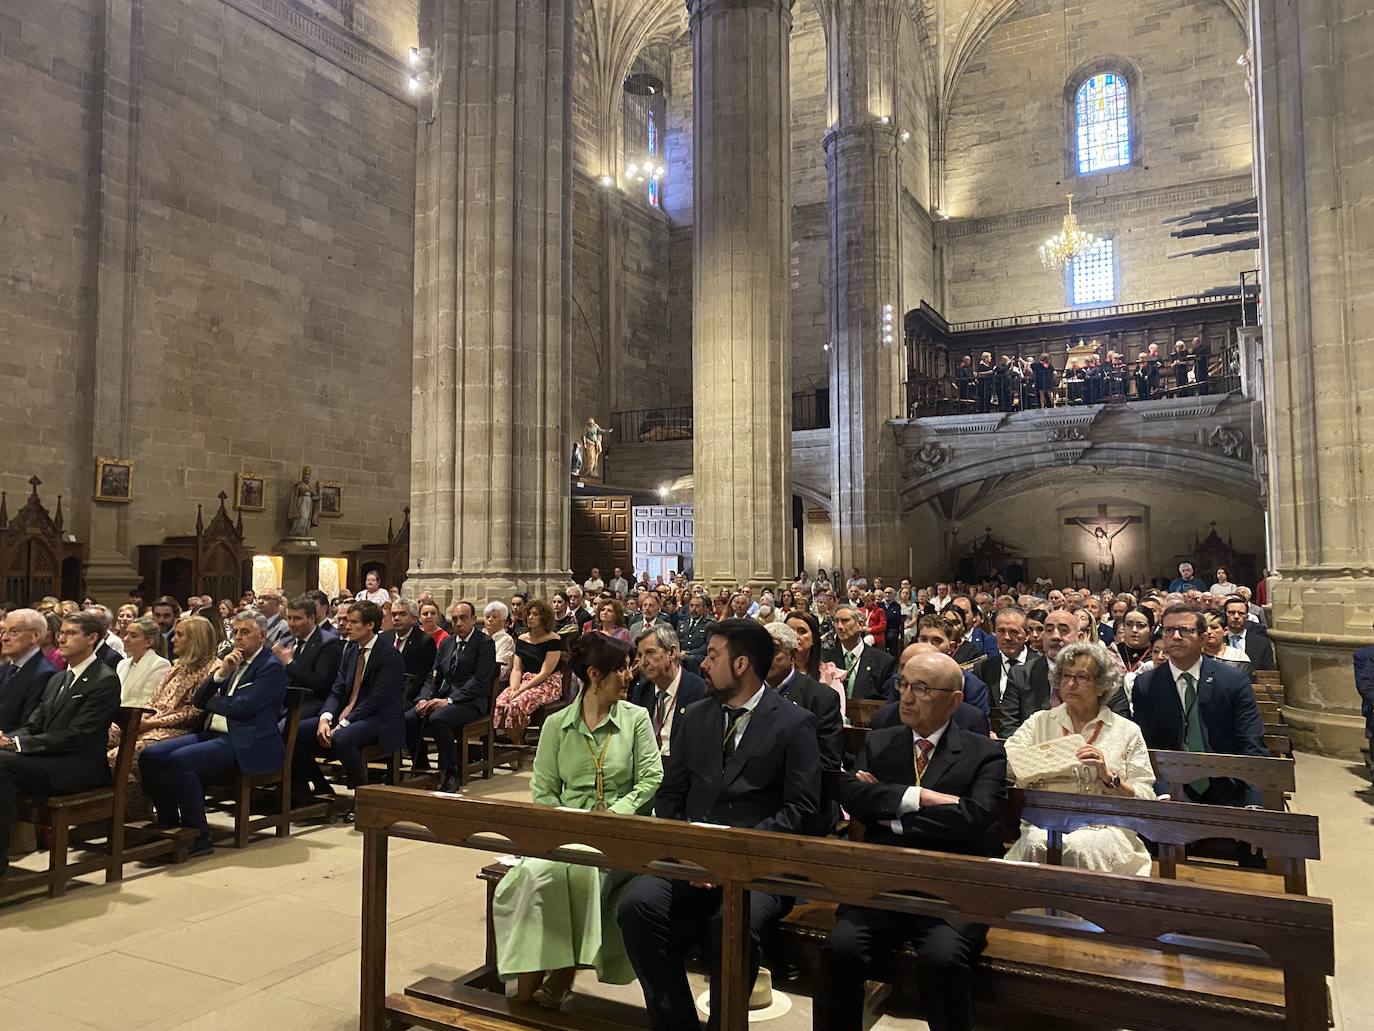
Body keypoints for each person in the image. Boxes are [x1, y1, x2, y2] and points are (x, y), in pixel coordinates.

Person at [618, 620, 821, 1031]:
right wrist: (687, 848)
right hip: (692, 858)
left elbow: (800, 809)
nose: (703, 664)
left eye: (713, 656)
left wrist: (730, 858)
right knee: (636, 906)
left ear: (742, 664)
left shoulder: (793, 724)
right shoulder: (696, 717)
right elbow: (671, 794)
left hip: (758, 864)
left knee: (731, 922)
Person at [816, 650, 1007, 1031]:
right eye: (903, 684)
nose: (906, 696)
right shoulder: (882, 741)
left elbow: (976, 818)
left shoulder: (984, 753)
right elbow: (852, 797)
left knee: (941, 960)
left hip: (951, 890)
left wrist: (891, 814)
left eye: (921, 688)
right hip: (883, 883)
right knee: (840, 948)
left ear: (954, 701)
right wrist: (919, 798)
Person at [495, 633, 662, 1007]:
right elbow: (544, 787)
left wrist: (615, 815)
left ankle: (561, 972)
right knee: (535, 876)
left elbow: (651, 779)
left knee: (584, 871)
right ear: (595, 674)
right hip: (567, 829)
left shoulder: (636, 719)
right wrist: (567, 824)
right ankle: (527, 987)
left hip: (622, 832)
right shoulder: (558, 724)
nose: (630, 675)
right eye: (621, 668)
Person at [138, 609, 288, 854]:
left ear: (262, 636)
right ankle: (168, 823)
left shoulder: (270, 667)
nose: (238, 638)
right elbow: (199, 699)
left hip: (244, 739)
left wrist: (214, 702)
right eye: (236, 633)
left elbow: (242, 708)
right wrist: (221, 674)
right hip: (214, 732)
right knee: (151, 755)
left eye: (245, 633)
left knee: (180, 761)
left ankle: (198, 834)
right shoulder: (231, 661)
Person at [1004, 641, 1156, 875]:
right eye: (1065, 676)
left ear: (1101, 685)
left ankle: (1087, 912)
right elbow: (1008, 764)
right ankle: (1037, 911)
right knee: (1038, 842)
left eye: (1081, 677)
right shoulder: (1040, 721)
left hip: (1105, 826)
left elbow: (1146, 797)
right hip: (1046, 820)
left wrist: (1108, 777)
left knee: (1079, 847)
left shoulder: (1126, 730)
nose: (1070, 684)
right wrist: (1053, 759)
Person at [0, 611, 123, 875]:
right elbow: (35, 723)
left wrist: (17, 745)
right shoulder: (59, 677)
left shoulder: (104, 679)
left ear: (92, 638)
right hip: (51, 761)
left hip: (77, 767)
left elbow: (76, 735)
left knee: (2, 764)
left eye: (70, 633)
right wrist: (9, 739)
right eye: (61, 633)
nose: (61, 638)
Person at [1131, 605, 1267, 806]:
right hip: (1172, 787)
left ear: (1203, 638)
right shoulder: (1146, 684)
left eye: (1185, 630)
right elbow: (1148, 746)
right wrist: (1163, 793)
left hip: (1227, 784)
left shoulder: (1232, 680)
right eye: (1169, 630)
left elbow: (1250, 742)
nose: (1176, 636)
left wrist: (1253, 801)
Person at [107, 616, 218, 800]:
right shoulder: (178, 667)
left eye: (179, 635)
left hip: (177, 731)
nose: (173, 639)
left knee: (116, 759)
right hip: (148, 722)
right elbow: (154, 700)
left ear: (195, 639)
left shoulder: (213, 669)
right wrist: (140, 719)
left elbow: (194, 713)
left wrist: (150, 724)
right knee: (98, 742)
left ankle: (131, 810)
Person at [314, 601, 406, 813]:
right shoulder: (351, 650)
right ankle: (317, 788)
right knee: (299, 732)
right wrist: (325, 718)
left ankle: (362, 798)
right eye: (346, 621)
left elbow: (376, 699)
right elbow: (337, 689)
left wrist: (343, 724)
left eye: (354, 622)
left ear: (370, 625)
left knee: (342, 738)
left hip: (379, 719)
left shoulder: (389, 655)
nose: (347, 626)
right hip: (351, 713)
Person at [408, 601, 497, 793]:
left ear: (473, 619)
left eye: (463, 618)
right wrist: (424, 698)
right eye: (455, 619)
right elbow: (434, 675)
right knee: (409, 716)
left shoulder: (485, 643)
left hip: (471, 701)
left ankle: (450, 772)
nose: (458, 623)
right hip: (444, 698)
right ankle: (421, 766)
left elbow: (479, 681)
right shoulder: (448, 643)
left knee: (438, 719)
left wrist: (449, 700)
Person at [999, 607, 1130, 737]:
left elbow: (1118, 729)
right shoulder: (1020, 675)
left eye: (1063, 630)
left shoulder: (1103, 673)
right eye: (1049, 630)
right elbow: (1008, 728)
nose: (1055, 636)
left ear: (1080, 637)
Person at [274, 596, 344, 797]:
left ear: (312, 618)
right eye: (289, 618)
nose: (292, 624)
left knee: (285, 731)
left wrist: (289, 664)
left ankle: (291, 790)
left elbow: (320, 684)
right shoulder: (287, 641)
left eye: (297, 618)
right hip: (286, 702)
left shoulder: (328, 644)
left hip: (315, 704)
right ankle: (293, 787)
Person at [765, 620, 843, 777]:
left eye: (773, 650)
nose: (765, 657)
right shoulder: (747, 691)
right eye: (759, 650)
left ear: (793, 655)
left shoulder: (822, 698)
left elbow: (828, 763)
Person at [629, 625, 706, 757]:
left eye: (650, 653)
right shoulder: (641, 690)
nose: (643, 663)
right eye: (640, 655)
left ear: (671, 652)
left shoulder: (699, 692)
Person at [493, 599, 565, 738]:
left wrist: (521, 690)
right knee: (501, 702)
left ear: (544, 617)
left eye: (535, 614)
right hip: (526, 680)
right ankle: (517, 742)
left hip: (547, 683)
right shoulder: (522, 638)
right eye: (529, 614)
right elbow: (517, 669)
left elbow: (546, 672)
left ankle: (519, 743)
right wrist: (514, 688)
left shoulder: (553, 639)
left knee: (516, 703)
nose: (530, 617)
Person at [822, 605, 897, 702]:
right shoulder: (825, 659)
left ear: (860, 625)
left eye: (845, 621)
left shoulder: (884, 662)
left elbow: (887, 702)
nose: (839, 626)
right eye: (836, 621)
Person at [0, 608, 57, 734]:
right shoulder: (5, 668)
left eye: (13, 632)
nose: (4, 638)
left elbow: (30, 726)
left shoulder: (44, 673)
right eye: (3, 632)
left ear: (35, 636)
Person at [380, 598, 439, 704]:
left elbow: (423, 678)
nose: (396, 618)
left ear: (413, 618)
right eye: (394, 615)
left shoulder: (424, 641)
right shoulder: (384, 638)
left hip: (407, 697)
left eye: (402, 614)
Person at [972, 606, 1030, 710]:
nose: (1007, 637)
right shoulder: (983, 668)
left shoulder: (1040, 666)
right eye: (1001, 631)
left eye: (1013, 632)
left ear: (1027, 635)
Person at [115, 615, 172, 707]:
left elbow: (148, 702)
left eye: (133, 636)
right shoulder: (122, 664)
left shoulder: (160, 665)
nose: (125, 639)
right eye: (126, 634)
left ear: (149, 642)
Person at [1223, 597, 1276, 671]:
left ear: (1247, 617)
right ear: (1225, 615)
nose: (1236, 616)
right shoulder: (1217, 640)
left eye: (1241, 613)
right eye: (1231, 612)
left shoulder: (1262, 643)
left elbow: (1268, 673)